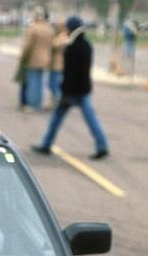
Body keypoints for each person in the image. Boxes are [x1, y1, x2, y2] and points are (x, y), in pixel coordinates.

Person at [32, 16, 109, 160]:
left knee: (56, 119)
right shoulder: (86, 45)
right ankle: (102, 146)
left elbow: (70, 73)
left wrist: (65, 91)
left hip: (72, 91)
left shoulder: (73, 47)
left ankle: (46, 145)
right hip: (83, 89)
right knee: (91, 120)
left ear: (71, 29)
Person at [18, 6, 53, 111]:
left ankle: (32, 105)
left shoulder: (33, 28)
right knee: (41, 83)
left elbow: (27, 46)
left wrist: (22, 57)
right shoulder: (49, 29)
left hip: (33, 60)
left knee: (33, 83)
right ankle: (39, 103)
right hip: (46, 59)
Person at [48, 20, 67, 107]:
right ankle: (53, 103)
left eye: (58, 26)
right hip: (54, 65)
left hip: (58, 65)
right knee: (52, 85)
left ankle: (58, 103)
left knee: (54, 85)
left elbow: (54, 45)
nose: (56, 27)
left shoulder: (63, 36)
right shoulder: (58, 36)